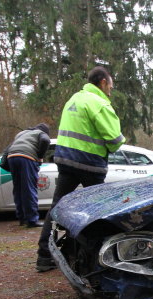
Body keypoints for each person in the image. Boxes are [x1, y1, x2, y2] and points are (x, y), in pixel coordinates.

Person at [36, 66, 125, 272]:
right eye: (110, 85)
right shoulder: (99, 103)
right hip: (89, 163)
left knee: (57, 207)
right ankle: (99, 259)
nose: (111, 89)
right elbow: (115, 141)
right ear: (103, 82)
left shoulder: (74, 100)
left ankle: (43, 256)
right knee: (99, 210)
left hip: (65, 160)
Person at [5, 123, 51, 228]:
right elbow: (45, 141)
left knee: (18, 189)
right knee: (29, 188)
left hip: (12, 157)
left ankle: (22, 218)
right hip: (26, 158)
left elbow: (8, 148)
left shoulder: (21, 133)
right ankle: (32, 220)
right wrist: (40, 156)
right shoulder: (41, 133)